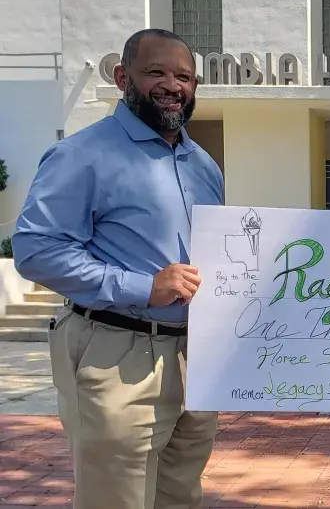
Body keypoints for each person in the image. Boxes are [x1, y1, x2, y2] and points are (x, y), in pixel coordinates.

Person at [12, 29, 223, 509]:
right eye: (156, 72)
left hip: (195, 357)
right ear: (123, 77)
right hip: (117, 350)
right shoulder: (82, 154)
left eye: (184, 76)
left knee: (181, 497)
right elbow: (36, 249)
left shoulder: (203, 165)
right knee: (115, 499)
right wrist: (143, 286)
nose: (172, 85)